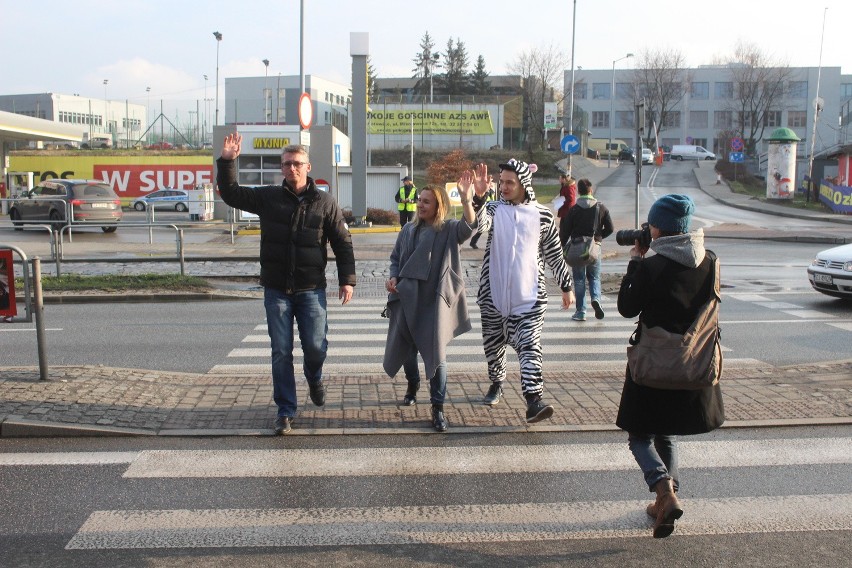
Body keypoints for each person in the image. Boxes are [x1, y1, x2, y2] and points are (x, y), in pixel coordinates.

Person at [216, 133, 356, 435]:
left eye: (297, 164)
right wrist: (228, 162)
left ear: (308, 167)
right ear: (282, 168)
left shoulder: (325, 203)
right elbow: (231, 193)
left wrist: (347, 280)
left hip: (311, 289)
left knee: (316, 348)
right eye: (286, 164)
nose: (291, 168)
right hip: (277, 289)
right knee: (280, 351)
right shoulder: (268, 198)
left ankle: (314, 377)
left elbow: (343, 244)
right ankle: (285, 409)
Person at [615, 194, 725, 538]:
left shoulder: (651, 266)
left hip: (653, 366)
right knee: (666, 433)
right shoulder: (710, 261)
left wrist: (636, 260)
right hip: (692, 364)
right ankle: (668, 498)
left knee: (639, 436)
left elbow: (626, 308)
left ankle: (663, 488)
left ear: (657, 227)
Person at [461, 160, 574, 423]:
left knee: (530, 346)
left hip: (530, 298)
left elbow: (555, 255)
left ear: (524, 184)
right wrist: (475, 198)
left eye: (509, 182)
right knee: (493, 347)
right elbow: (478, 225)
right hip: (493, 297)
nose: (504, 187)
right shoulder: (493, 208)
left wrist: (567, 286)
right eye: (501, 182)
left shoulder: (543, 215)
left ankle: (534, 400)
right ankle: (497, 381)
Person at [383, 182, 476, 432]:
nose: (420, 204)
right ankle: (412, 383)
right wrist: (393, 277)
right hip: (406, 298)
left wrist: (467, 201)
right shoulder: (408, 229)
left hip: (434, 301)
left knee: (437, 356)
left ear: (439, 206)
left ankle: (438, 407)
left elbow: (469, 227)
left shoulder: (448, 229)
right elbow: (395, 259)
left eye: (426, 201)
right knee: (406, 350)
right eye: (420, 200)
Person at [559, 178, 614, 321]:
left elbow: (565, 232)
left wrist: (562, 246)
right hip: (594, 248)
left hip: (577, 249)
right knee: (594, 277)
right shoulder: (600, 208)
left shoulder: (573, 210)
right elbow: (611, 228)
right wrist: (599, 238)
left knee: (579, 280)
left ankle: (581, 311)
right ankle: (596, 299)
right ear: (591, 190)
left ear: (578, 191)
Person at [468, 181, 495, 249]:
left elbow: (492, 199)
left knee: (488, 229)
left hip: (491, 207)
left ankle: (473, 242)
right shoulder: (485, 191)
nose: (491, 184)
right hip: (485, 207)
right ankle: (473, 242)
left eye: (492, 183)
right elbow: (483, 199)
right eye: (490, 183)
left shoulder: (491, 191)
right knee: (481, 228)